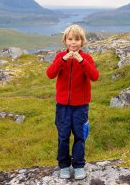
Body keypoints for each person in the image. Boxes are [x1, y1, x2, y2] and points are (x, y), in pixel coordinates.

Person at [46, 24, 99, 180]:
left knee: (79, 136)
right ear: (65, 41)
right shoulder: (59, 57)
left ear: (82, 42)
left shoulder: (87, 58)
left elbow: (94, 76)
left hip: (80, 107)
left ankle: (78, 166)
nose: (73, 42)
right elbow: (50, 74)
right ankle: (63, 166)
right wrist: (63, 59)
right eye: (70, 39)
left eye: (77, 39)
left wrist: (81, 61)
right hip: (62, 106)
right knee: (63, 137)